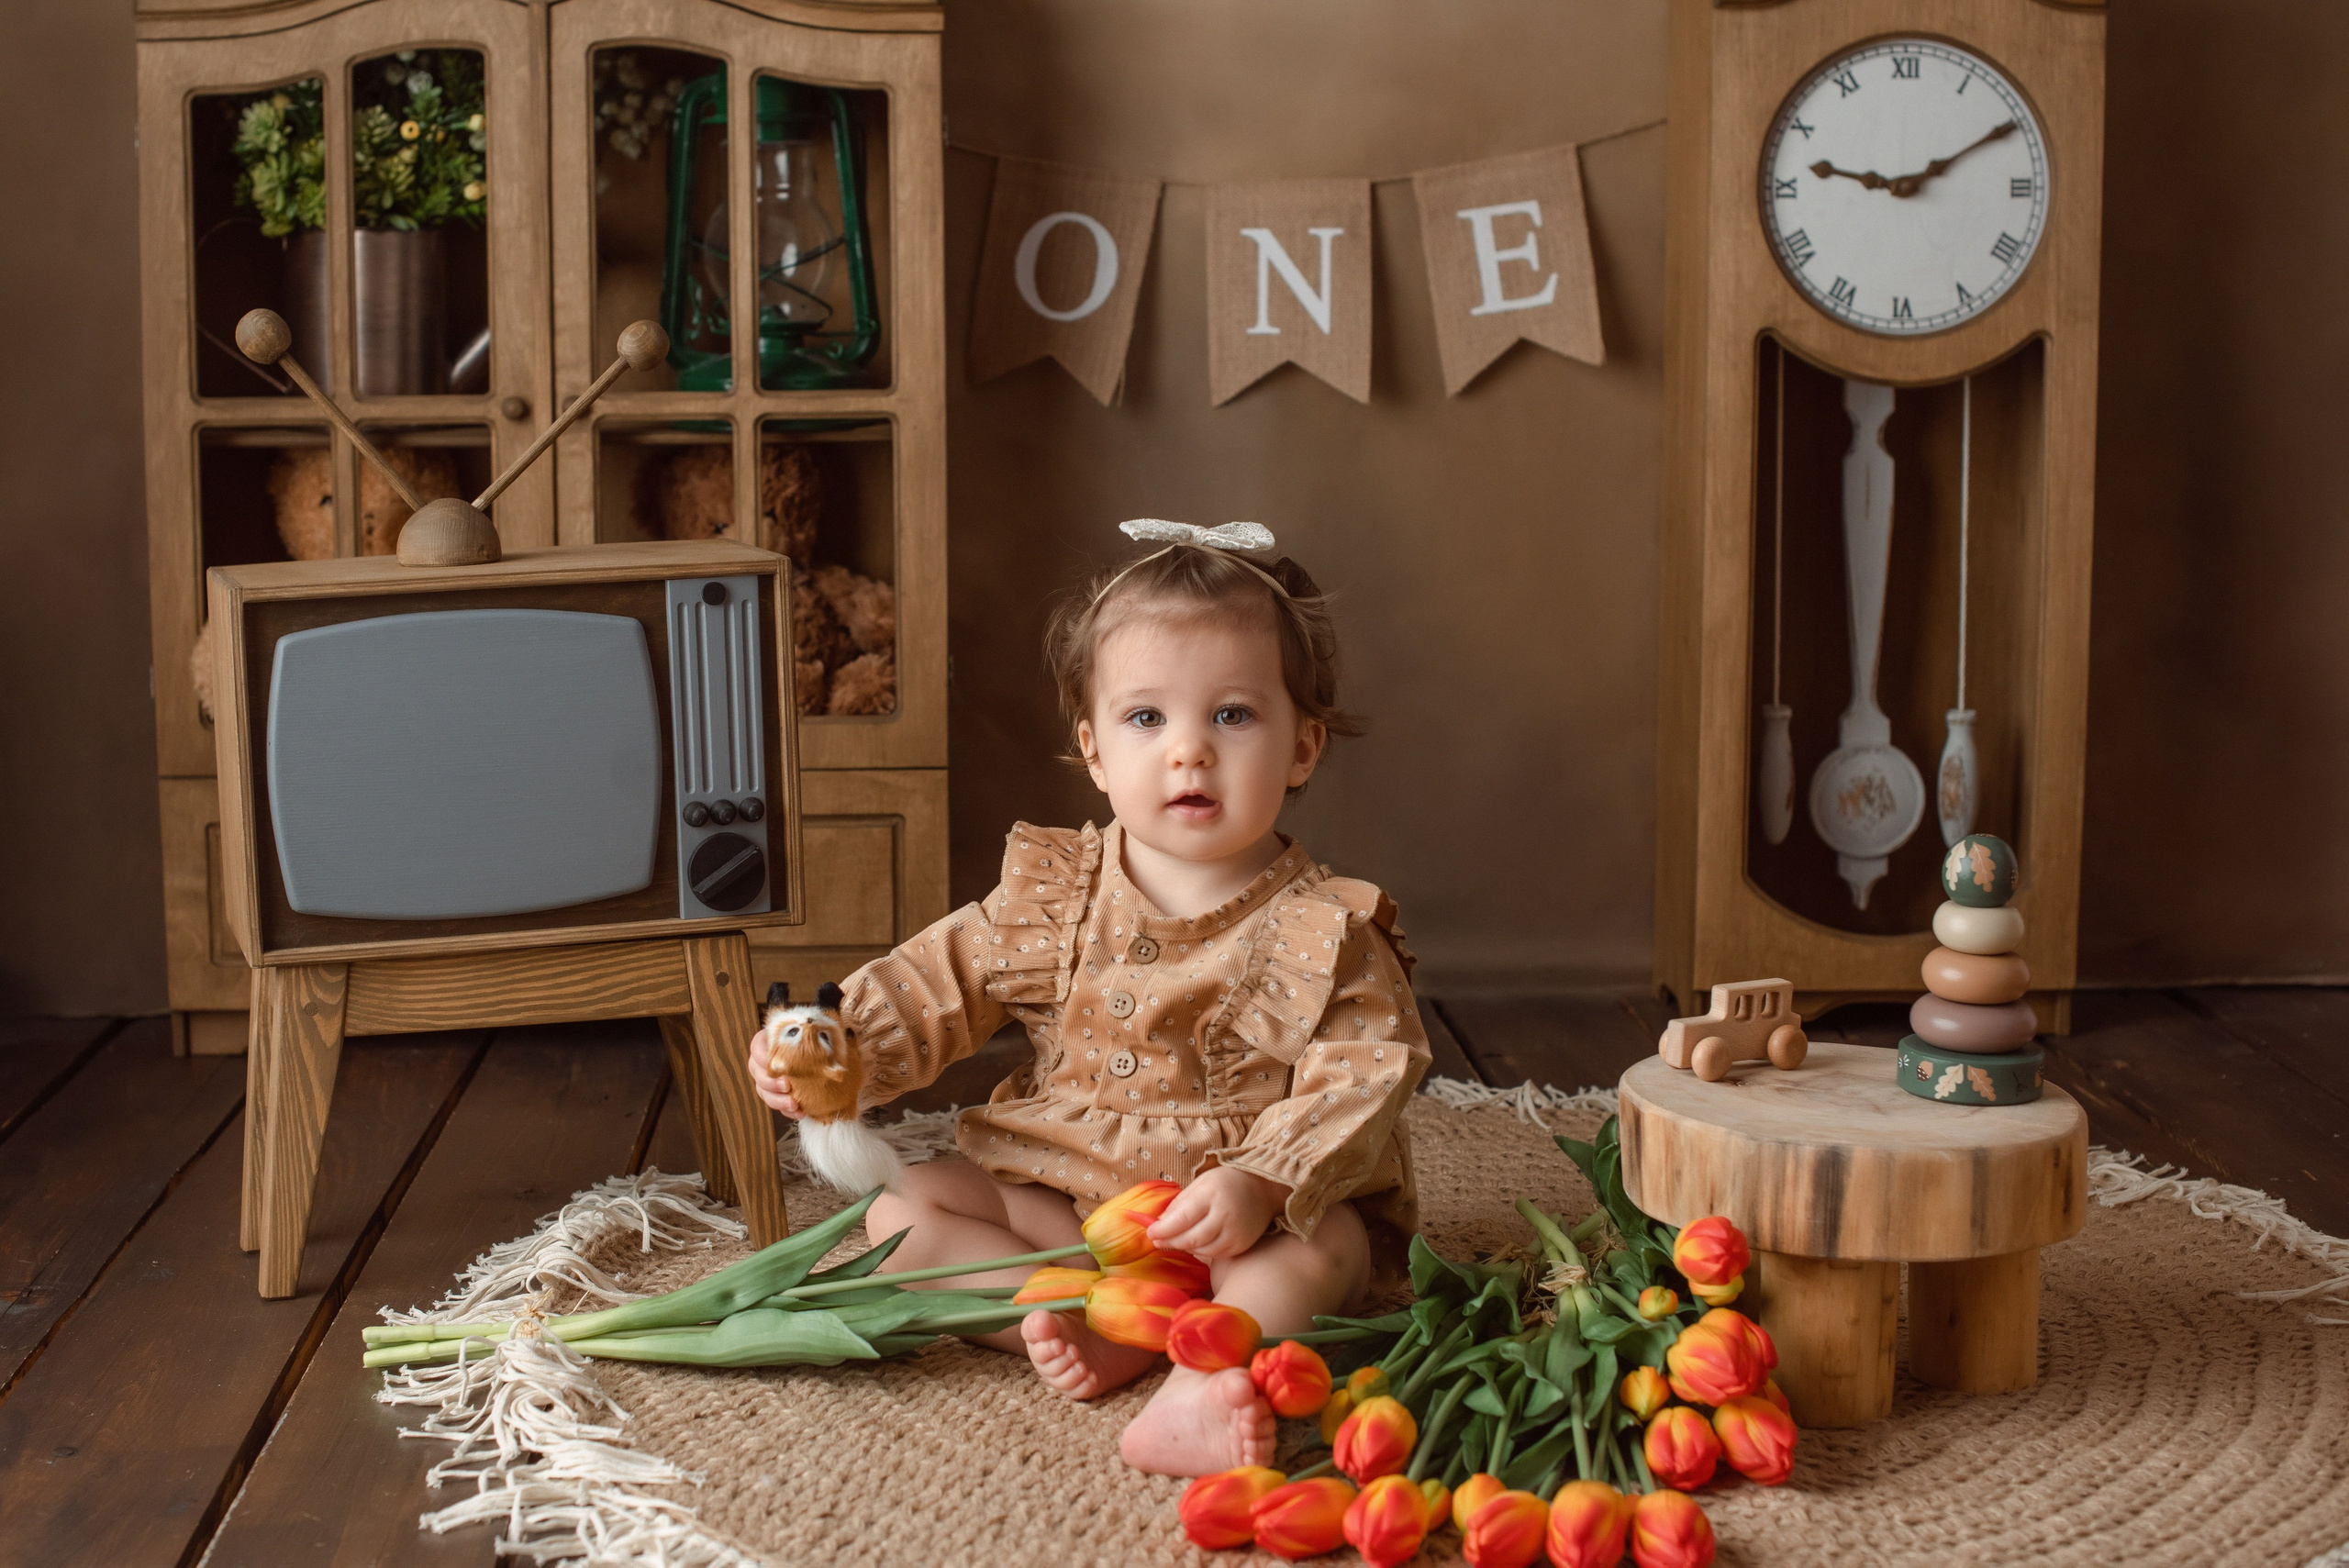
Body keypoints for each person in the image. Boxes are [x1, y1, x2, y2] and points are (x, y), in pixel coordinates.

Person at [745, 520, 1431, 1477]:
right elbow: (942, 975)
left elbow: (1365, 1072)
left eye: (1232, 715)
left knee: (1329, 1253)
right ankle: (1076, 1311)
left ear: (1303, 746)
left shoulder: (1325, 926)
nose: (1188, 751)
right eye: (1147, 718)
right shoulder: (1056, 892)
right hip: (1064, 1198)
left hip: (1232, 1221)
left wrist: (1264, 1179)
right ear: (1095, 750)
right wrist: (837, 1047)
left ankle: (1198, 1381)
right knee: (904, 1211)